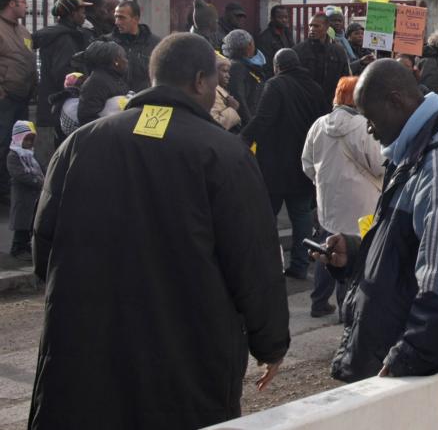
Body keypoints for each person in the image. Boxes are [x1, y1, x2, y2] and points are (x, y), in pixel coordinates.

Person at [30, 33, 289, 428]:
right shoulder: (224, 153)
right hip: (188, 360)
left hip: (86, 353)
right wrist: (269, 342)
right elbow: (254, 260)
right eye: (216, 83)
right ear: (200, 81)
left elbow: (43, 250)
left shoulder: (79, 145)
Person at [318, 60, 438, 429]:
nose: (369, 129)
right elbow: (409, 251)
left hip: (417, 374)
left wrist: (407, 356)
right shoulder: (414, 155)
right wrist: (355, 254)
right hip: (406, 368)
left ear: (396, 101)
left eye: (370, 117)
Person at [242, 48, 331, 279]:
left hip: (273, 164)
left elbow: (262, 119)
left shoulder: (275, 85)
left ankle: (267, 266)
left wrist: (241, 140)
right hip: (304, 163)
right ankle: (300, 265)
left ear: (277, 66)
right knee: (301, 215)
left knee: (265, 216)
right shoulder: (315, 88)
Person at [302, 76, 385, 318]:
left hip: (328, 199)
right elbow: (379, 165)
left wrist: (323, 182)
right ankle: (346, 308)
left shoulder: (319, 124)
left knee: (326, 248)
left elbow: (307, 162)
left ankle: (318, 301)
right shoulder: (364, 126)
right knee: (351, 253)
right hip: (361, 200)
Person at [32, 0, 94, 156]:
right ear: (72, 14)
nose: (84, 15)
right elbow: (64, 74)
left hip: (57, 105)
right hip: (63, 106)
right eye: (81, 11)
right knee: (65, 151)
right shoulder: (64, 39)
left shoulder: (65, 34)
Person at [0, 0, 36, 207]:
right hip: (5, 98)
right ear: (11, 3)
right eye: (23, 1)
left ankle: (10, 188)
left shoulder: (22, 30)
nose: (27, 6)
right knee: (2, 143)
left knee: (19, 145)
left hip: (22, 98)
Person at [295, 13, 351, 103]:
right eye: (310, 26)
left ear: (326, 28)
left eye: (316, 26)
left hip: (330, 103)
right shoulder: (298, 50)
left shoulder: (338, 51)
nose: (312, 29)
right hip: (305, 103)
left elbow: (345, 79)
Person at [7, 120, 42, 261]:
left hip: (32, 196)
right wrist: (37, 181)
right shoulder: (13, 156)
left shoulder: (30, 155)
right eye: (26, 139)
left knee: (29, 222)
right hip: (22, 195)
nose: (29, 143)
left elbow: (41, 168)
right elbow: (20, 175)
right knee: (21, 223)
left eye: (31, 140)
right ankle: (17, 248)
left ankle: (26, 246)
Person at [106, 0, 159, 92]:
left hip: (144, 99)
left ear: (136, 19)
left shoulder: (155, 44)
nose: (117, 22)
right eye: (116, 17)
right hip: (116, 99)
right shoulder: (107, 42)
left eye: (122, 18)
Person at [76, 40, 131, 125]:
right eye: (123, 57)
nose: (126, 61)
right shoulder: (96, 82)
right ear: (115, 61)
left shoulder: (114, 77)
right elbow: (87, 117)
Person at [222, 29, 269, 125]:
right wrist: (251, 125)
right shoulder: (237, 67)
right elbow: (239, 99)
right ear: (249, 46)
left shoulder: (245, 66)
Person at [257, 4, 295, 73]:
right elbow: (266, 63)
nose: (284, 20)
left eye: (286, 17)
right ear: (272, 18)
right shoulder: (265, 38)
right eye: (280, 17)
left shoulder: (287, 32)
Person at [211, 54, 242, 131]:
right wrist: (232, 108)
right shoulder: (213, 93)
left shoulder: (221, 91)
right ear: (213, 71)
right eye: (224, 71)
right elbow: (216, 125)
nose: (228, 76)